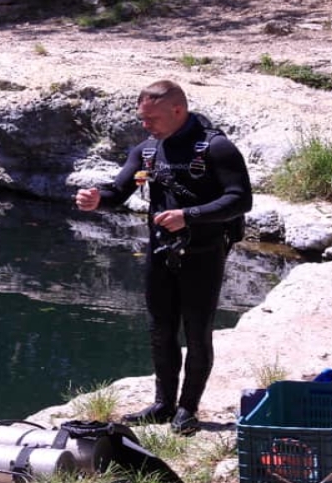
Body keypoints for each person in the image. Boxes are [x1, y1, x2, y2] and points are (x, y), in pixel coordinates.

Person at [75, 80, 252, 435]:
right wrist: (98, 199)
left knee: (197, 332)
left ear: (178, 111)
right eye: (142, 118)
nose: (145, 125)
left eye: (151, 118)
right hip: (160, 251)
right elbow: (119, 190)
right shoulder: (147, 150)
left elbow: (240, 199)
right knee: (161, 330)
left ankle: (188, 408)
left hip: (203, 251)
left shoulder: (215, 148)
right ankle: (163, 403)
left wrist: (190, 215)